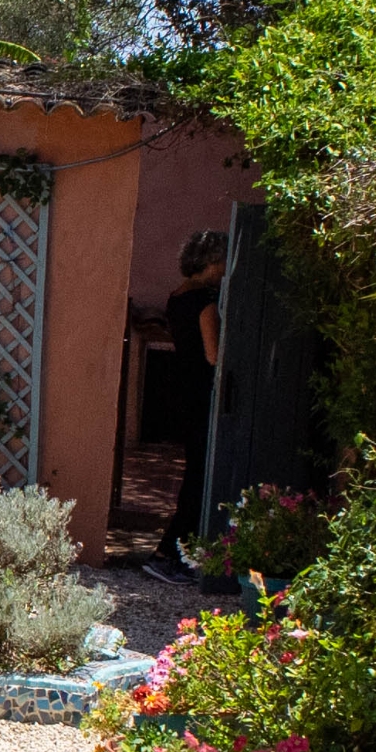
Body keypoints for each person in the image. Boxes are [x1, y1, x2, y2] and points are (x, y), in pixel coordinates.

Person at [143, 229, 227, 585]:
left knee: (194, 471)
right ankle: (170, 554)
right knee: (198, 477)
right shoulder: (205, 302)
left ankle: (174, 552)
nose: (225, 268)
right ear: (210, 263)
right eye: (221, 261)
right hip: (201, 395)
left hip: (182, 391)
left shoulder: (177, 296)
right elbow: (213, 355)